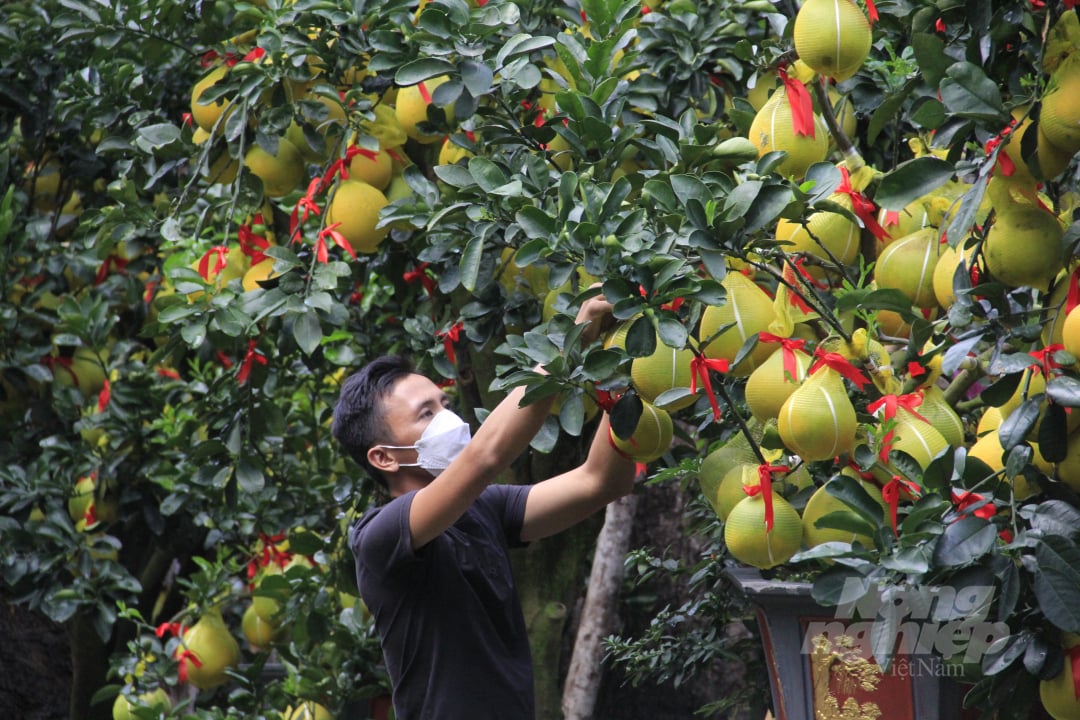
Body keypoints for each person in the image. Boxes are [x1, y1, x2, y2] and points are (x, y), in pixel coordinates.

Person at [331, 292, 638, 720]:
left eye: (445, 404)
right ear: (384, 457)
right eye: (425, 414)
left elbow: (601, 481)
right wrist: (575, 338)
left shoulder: (484, 508)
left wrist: (628, 372)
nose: (447, 418)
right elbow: (486, 454)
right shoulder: (380, 538)